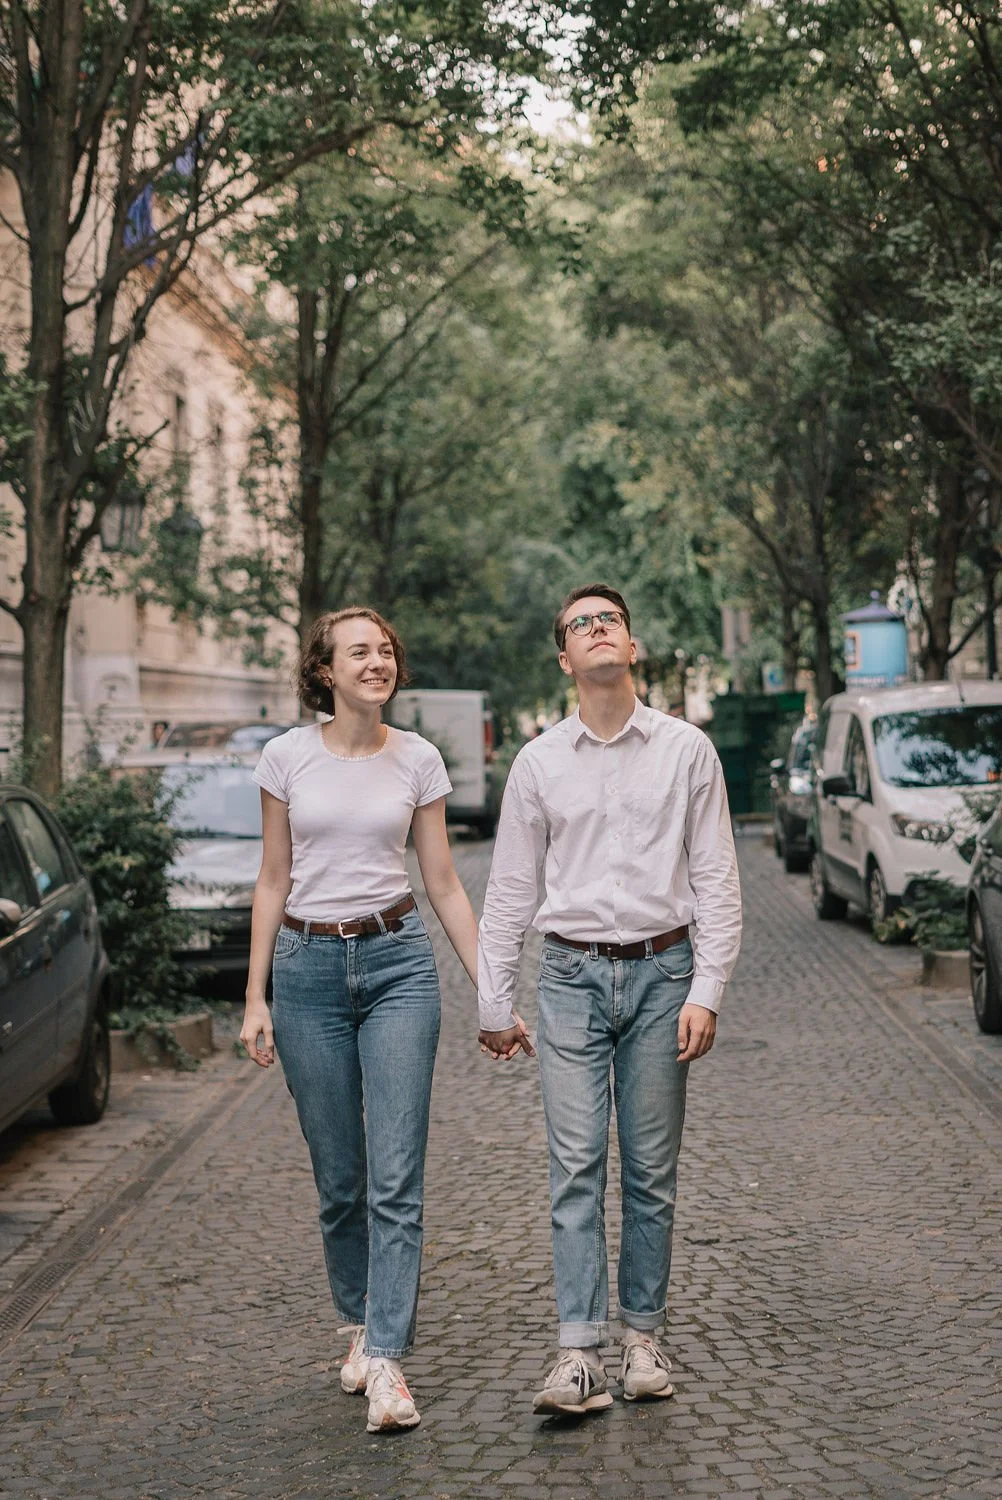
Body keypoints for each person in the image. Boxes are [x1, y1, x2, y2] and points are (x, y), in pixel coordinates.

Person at [477, 584, 742, 1417]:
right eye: (581, 625)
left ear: (632, 647)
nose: (598, 631)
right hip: (568, 981)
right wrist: (494, 1000)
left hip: (665, 976)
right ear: (565, 658)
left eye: (610, 621)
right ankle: (579, 1351)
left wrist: (707, 988)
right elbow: (511, 892)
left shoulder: (687, 751)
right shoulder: (539, 762)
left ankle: (642, 1337)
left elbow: (717, 880)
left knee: (652, 1170)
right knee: (577, 1164)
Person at [240, 606, 484, 1435]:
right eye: (359, 652)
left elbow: (444, 882)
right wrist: (255, 995)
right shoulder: (285, 758)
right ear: (325, 670)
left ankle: (386, 1357)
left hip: (398, 965)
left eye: (384, 651)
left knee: (396, 1172)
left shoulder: (418, 758)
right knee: (339, 1177)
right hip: (307, 973)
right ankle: (358, 1322)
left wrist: (490, 984)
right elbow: (272, 878)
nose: (376, 662)